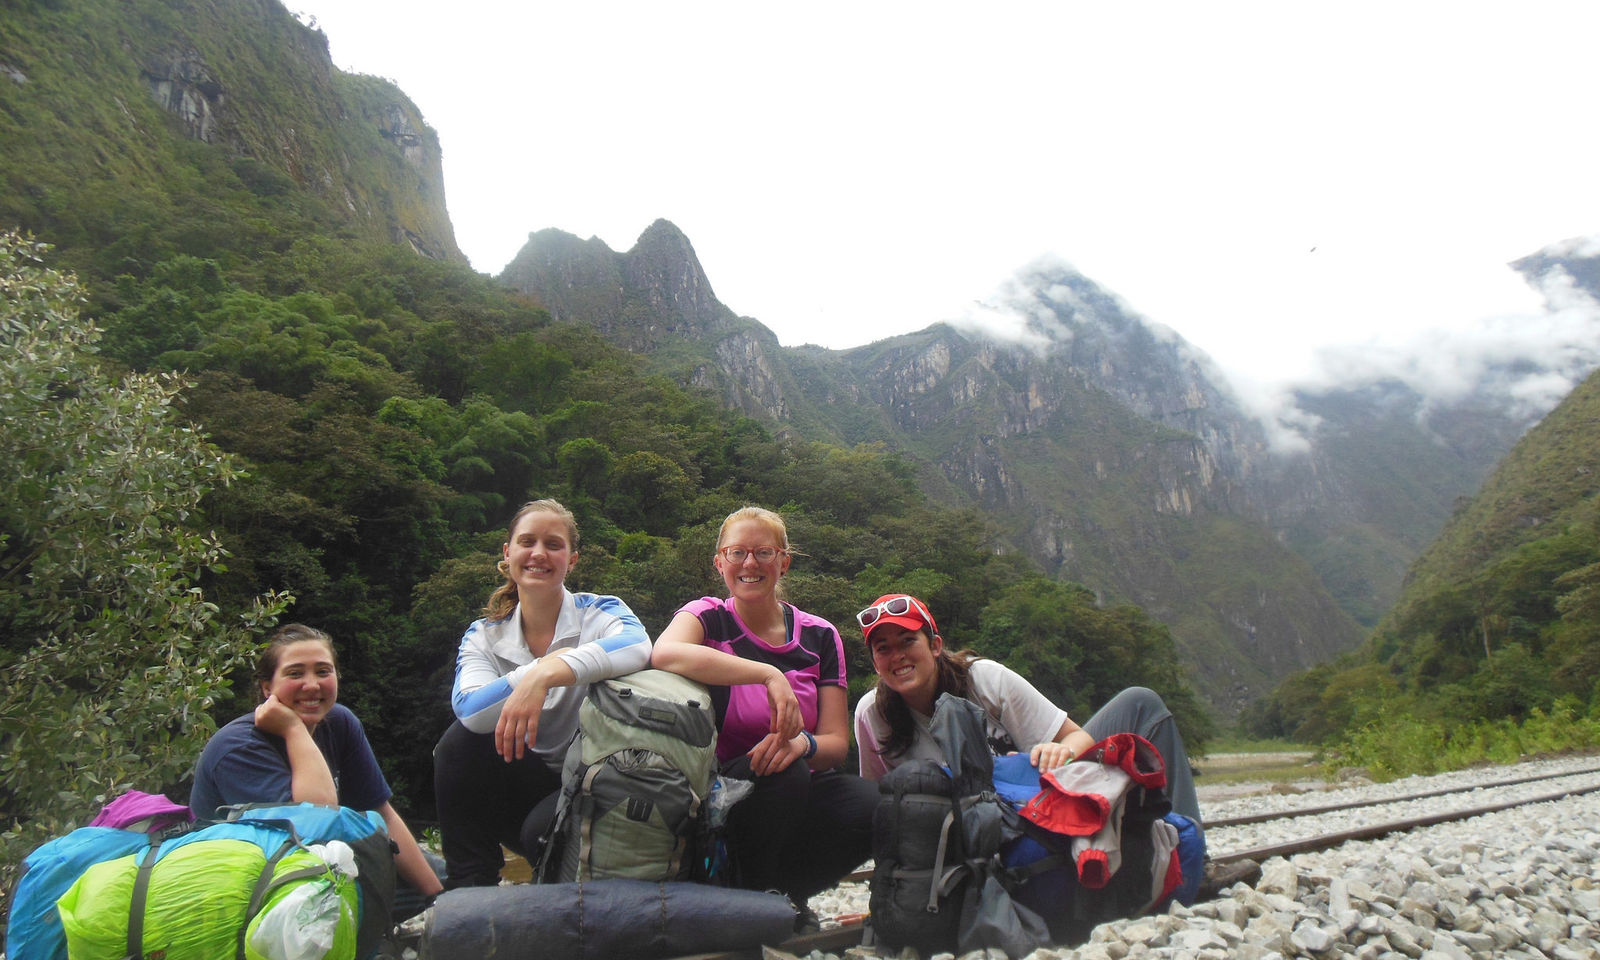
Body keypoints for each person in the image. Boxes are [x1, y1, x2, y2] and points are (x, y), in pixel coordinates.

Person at [651, 506, 877, 913]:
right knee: (782, 774)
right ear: (720, 563)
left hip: (800, 781)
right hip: (720, 790)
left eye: (764, 553)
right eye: (737, 553)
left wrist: (803, 745)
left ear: (783, 562)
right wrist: (768, 674)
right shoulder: (708, 617)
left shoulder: (820, 636)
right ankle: (748, 902)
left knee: (870, 806)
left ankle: (789, 895)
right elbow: (664, 653)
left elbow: (835, 744)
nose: (749, 563)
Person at [434, 498, 652, 888]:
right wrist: (532, 673)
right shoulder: (484, 635)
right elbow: (469, 709)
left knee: (544, 832)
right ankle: (469, 887)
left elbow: (637, 645)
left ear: (573, 559)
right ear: (508, 552)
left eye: (553, 544)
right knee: (457, 745)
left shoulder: (598, 612)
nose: (538, 553)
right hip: (521, 777)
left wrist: (548, 673)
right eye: (527, 542)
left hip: (592, 783)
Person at [852, 593, 1201, 825]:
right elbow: (879, 805)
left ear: (935, 646)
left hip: (1040, 803)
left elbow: (1075, 737)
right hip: (966, 832)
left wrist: (1059, 750)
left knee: (1141, 703)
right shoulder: (872, 713)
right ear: (874, 662)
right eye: (883, 648)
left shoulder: (984, 680)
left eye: (908, 641)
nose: (896, 655)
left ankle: (1188, 851)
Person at [190, 622, 444, 916]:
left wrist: (437, 897)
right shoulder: (238, 748)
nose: (312, 685)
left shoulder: (339, 723)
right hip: (251, 891)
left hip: (322, 867)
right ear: (266, 687)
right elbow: (316, 823)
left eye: (323, 671)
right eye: (295, 673)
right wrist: (293, 730)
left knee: (451, 883)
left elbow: (381, 812)